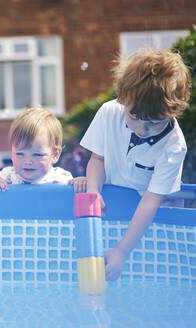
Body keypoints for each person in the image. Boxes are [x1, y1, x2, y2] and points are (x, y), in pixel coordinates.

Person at [80, 49, 191, 281]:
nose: (141, 128)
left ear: (172, 112)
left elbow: (151, 202)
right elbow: (97, 159)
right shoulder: (110, 112)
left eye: (153, 123)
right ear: (123, 99)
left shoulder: (173, 146)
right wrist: (93, 191)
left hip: (149, 224)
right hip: (114, 211)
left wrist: (122, 250)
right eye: (134, 117)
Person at [0, 107, 87, 192]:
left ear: (54, 155)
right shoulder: (7, 176)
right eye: (20, 154)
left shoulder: (61, 179)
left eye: (37, 155)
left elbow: (74, 196)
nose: (27, 161)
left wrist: (80, 183)